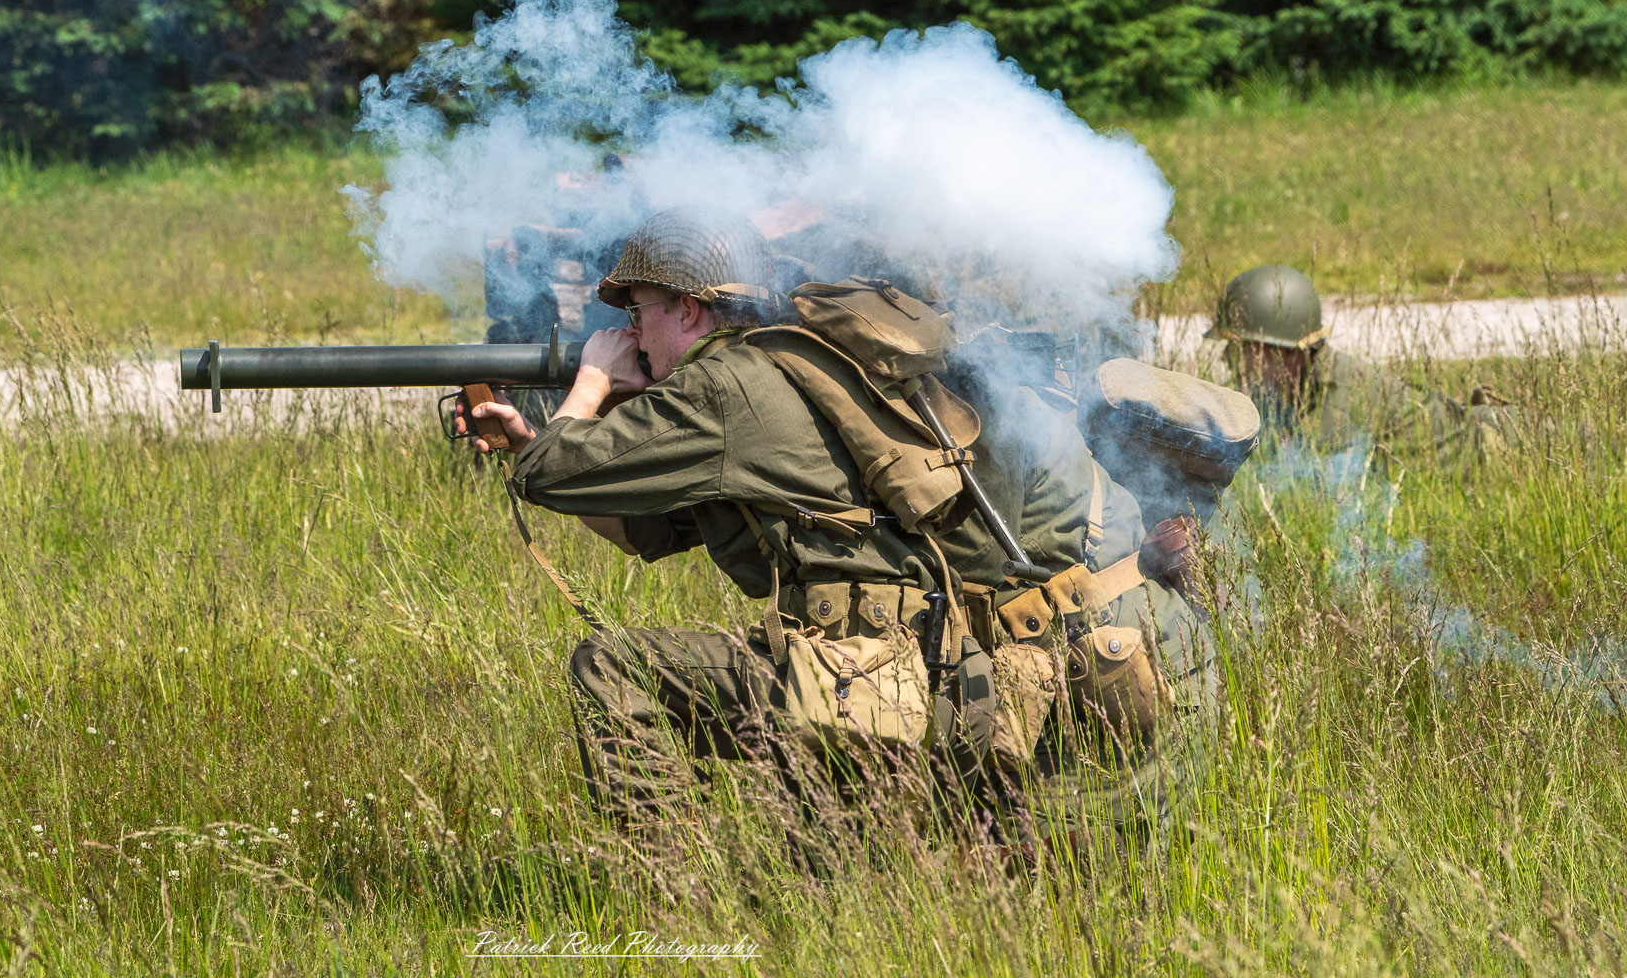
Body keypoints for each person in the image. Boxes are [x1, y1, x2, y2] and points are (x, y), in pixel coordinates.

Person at [466, 210, 1217, 846]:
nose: (627, 336)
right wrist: (529, 441)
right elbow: (653, 532)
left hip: (929, 668)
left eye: (636, 315)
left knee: (610, 665)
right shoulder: (794, 362)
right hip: (1007, 659)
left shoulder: (723, 386)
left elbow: (553, 477)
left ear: (688, 310)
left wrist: (591, 384)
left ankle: (665, 891)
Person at [1210, 265, 1517, 464]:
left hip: (1502, 448)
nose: (1226, 358)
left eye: (1240, 348)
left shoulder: (1338, 403)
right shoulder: (1287, 390)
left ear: (1288, 352)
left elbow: (1319, 495)